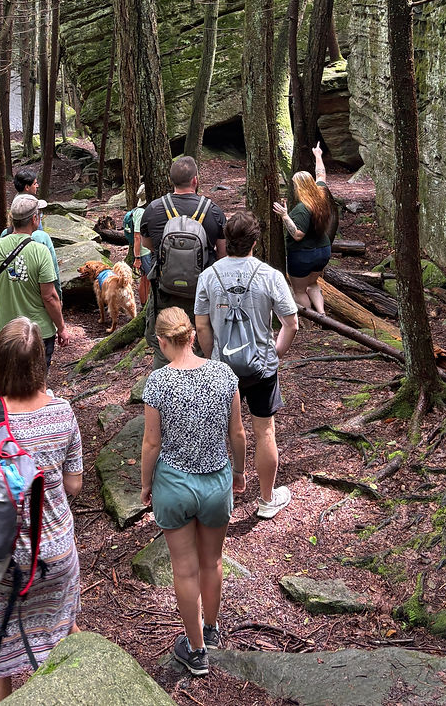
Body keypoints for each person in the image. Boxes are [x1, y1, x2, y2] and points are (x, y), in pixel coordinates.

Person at [0, 318, 83, 705]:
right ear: (39, 364)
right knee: (66, 641)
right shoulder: (62, 412)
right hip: (55, 553)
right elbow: (75, 484)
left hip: (0, 561)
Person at [141, 307, 246, 677]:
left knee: (184, 571)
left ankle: (197, 650)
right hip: (216, 481)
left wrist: (145, 484)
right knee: (212, 562)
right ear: (191, 335)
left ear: (163, 341)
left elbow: (152, 443)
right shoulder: (223, 374)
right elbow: (237, 434)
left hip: (175, 484)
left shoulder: (157, 382)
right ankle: (212, 630)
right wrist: (238, 472)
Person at [196, 210, 299, 520]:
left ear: (227, 241)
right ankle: (267, 500)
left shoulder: (208, 276)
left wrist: (212, 358)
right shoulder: (270, 275)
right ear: (255, 241)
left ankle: (214, 501)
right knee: (264, 431)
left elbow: (202, 326)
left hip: (220, 368)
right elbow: (291, 323)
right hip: (261, 368)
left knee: (216, 432)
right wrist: (276, 354)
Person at [140, 156, 226, 366]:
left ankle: (165, 388)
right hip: (201, 291)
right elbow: (223, 255)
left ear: (171, 181)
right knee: (203, 341)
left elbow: (148, 246)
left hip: (165, 292)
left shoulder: (153, 209)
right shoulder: (213, 210)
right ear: (195, 180)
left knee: (166, 341)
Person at [0, 193, 70, 369]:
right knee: (36, 385)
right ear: (34, 219)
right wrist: (61, 327)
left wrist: (12, 285)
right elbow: (49, 297)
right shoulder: (40, 251)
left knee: (8, 383)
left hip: (6, 331)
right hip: (38, 332)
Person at [273, 143, 337, 313]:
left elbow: (298, 234)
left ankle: (310, 325)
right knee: (313, 283)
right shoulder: (321, 194)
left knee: (299, 290)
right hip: (323, 251)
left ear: (298, 187)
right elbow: (321, 174)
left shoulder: (302, 209)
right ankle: (322, 315)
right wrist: (317, 155)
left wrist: (285, 216)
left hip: (303, 255)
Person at [4, 166, 62, 300]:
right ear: (27, 187)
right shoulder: (39, 235)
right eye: (35, 183)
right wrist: (58, 296)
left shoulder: (15, 206)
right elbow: (52, 269)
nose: (37, 186)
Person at [127, 182, 150, 305]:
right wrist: (137, 258)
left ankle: (145, 303)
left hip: (145, 251)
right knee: (146, 279)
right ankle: (144, 304)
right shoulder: (140, 212)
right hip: (144, 252)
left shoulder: (141, 210)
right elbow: (137, 236)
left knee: (146, 278)